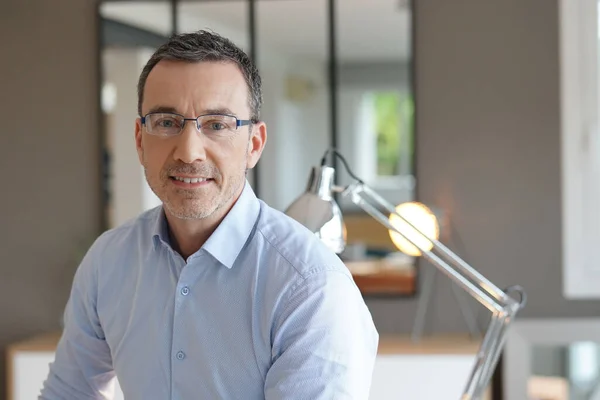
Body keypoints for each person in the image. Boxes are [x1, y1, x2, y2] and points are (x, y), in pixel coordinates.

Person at [40, 30, 379, 399]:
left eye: (217, 125)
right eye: (166, 122)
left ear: (254, 144)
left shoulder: (311, 287)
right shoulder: (108, 262)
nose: (189, 152)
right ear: (140, 140)